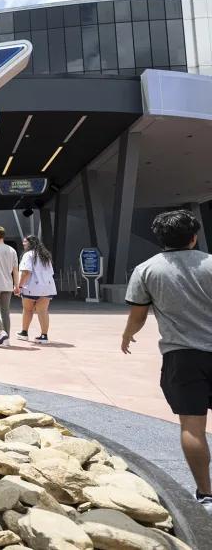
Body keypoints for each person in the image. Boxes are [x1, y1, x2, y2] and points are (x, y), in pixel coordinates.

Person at [122, 210, 212, 513]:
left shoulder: (146, 269)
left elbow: (138, 317)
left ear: (159, 238)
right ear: (194, 236)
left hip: (181, 356)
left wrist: (127, 336)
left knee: (192, 426)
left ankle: (206, 493)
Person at [15, 235, 57, 343]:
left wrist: (19, 286)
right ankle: (44, 336)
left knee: (27, 310)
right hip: (47, 286)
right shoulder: (45, 255)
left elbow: (26, 272)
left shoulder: (28, 255)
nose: (23, 244)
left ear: (30, 243)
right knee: (43, 311)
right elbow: (51, 272)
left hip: (31, 287)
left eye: (25, 242)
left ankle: (24, 333)